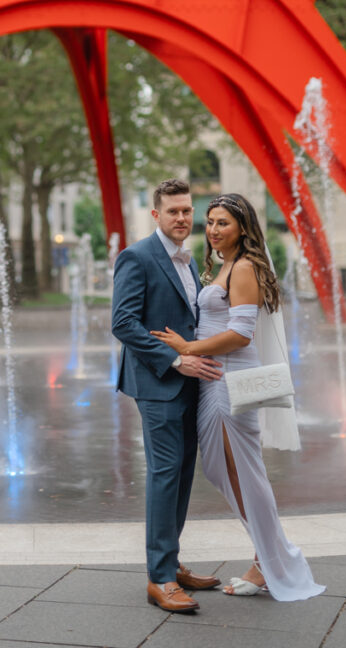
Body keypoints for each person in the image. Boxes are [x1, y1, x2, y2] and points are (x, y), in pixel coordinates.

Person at [151, 193, 325, 601]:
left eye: (222, 222)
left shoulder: (243, 267)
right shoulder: (225, 265)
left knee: (244, 475)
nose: (212, 229)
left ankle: (269, 562)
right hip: (214, 381)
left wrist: (187, 348)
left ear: (242, 228)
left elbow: (241, 334)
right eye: (209, 221)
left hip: (230, 381)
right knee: (225, 472)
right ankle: (269, 555)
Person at [111, 178, 223, 614]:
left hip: (193, 380)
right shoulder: (136, 256)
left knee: (180, 475)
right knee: (163, 475)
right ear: (155, 215)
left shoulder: (189, 260)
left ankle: (171, 563)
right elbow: (123, 323)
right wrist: (177, 361)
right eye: (173, 211)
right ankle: (159, 578)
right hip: (158, 383)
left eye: (186, 211)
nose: (182, 218)